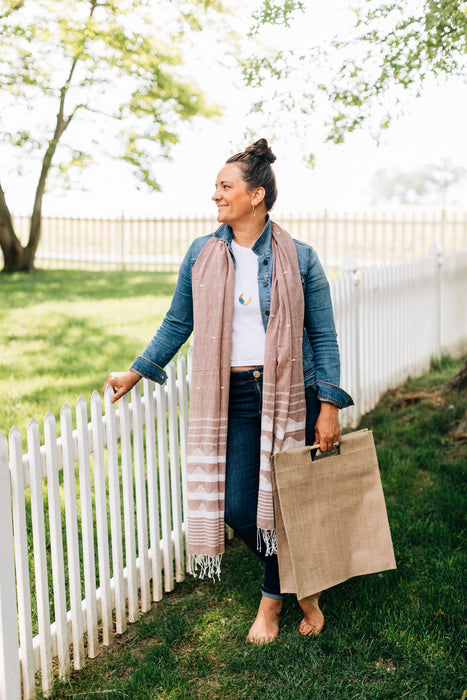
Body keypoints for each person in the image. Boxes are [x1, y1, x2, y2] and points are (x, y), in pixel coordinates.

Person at [103, 138, 353, 644]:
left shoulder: (300, 258)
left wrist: (328, 405)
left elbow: (322, 336)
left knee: (290, 502)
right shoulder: (202, 254)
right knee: (240, 508)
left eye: (225, 186)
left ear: (256, 195)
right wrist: (137, 370)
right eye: (216, 186)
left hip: (290, 393)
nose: (215, 195)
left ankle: (272, 600)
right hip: (233, 396)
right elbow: (179, 321)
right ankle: (299, 585)